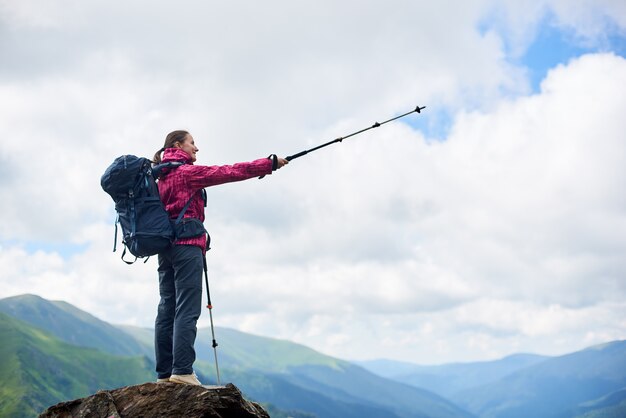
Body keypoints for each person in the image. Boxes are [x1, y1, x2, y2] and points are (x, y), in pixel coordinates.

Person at [152, 130, 288, 385]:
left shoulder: (160, 178)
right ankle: (181, 372)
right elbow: (228, 172)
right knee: (187, 308)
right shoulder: (185, 173)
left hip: (165, 249)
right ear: (178, 145)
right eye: (192, 142)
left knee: (166, 308)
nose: (197, 148)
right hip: (187, 246)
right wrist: (268, 164)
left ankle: (163, 375)